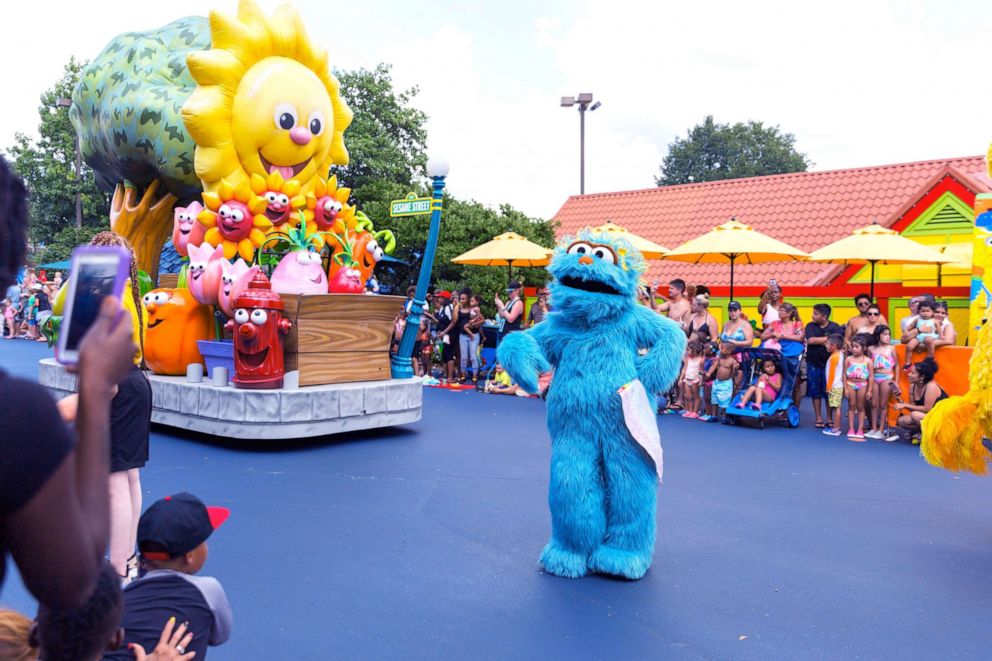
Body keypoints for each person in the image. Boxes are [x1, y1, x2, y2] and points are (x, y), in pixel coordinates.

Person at [0, 155, 137, 610]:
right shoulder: (17, 415)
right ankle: (125, 561)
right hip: (126, 381)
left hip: (121, 380)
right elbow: (72, 579)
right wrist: (94, 394)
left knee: (126, 476)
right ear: (15, 262)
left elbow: (63, 307)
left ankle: (125, 560)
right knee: (125, 476)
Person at [107, 492, 233, 660]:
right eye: (203, 541)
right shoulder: (209, 590)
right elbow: (219, 637)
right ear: (190, 556)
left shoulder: (122, 596)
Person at [804, 303, 843, 428]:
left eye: (816, 314)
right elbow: (810, 340)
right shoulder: (810, 326)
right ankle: (818, 417)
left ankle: (830, 417)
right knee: (815, 392)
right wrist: (827, 339)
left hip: (830, 365)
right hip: (813, 363)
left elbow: (837, 341)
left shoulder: (835, 326)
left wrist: (819, 340)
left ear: (824, 316)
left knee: (829, 391)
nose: (812, 316)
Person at [894, 358, 948, 443]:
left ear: (922, 377)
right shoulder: (913, 386)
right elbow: (914, 408)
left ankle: (928, 435)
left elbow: (927, 409)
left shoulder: (931, 386)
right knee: (902, 421)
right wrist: (900, 401)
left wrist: (905, 405)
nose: (909, 374)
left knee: (915, 415)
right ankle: (922, 432)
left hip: (942, 420)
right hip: (928, 417)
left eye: (912, 373)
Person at [867, 325, 900, 441]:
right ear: (878, 335)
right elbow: (868, 364)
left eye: (889, 334)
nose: (887, 337)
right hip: (875, 377)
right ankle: (874, 428)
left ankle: (881, 429)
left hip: (887, 377)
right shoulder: (871, 349)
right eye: (885, 334)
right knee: (874, 403)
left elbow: (897, 366)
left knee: (883, 404)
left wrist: (896, 381)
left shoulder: (891, 348)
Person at [844, 336, 873, 440]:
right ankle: (851, 428)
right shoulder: (848, 359)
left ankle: (860, 429)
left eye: (856, 347)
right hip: (850, 383)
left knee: (861, 407)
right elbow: (844, 374)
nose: (854, 349)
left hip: (862, 384)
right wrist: (845, 388)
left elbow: (870, 376)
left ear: (864, 348)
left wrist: (870, 390)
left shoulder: (868, 361)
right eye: (852, 347)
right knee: (851, 406)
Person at [707, 342, 739, 423]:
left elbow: (735, 374)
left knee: (725, 401)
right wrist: (709, 373)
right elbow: (713, 366)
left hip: (726, 383)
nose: (719, 350)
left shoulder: (732, 361)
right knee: (714, 400)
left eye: (721, 349)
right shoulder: (719, 359)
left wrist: (735, 369)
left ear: (728, 351)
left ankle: (724, 416)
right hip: (717, 382)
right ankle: (714, 415)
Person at [821, 334, 846, 437]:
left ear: (833, 346)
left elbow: (831, 374)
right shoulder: (840, 354)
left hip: (834, 385)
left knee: (836, 408)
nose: (825, 345)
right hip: (838, 385)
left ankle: (836, 428)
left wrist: (828, 387)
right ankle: (836, 427)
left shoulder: (834, 357)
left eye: (827, 344)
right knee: (837, 407)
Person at [456, 288, 481, 383]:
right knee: (464, 357)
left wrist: (473, 323)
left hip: (474, 334)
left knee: (473, 356)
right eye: (460, 298)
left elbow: (482, 320)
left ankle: (475, 376)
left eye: (464, 299)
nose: (462, 300)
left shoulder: (473, 309)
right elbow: (454, 321)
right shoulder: (459, 308)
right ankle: (463, 375)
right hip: (462, 335)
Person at [903, 300, 938, 368]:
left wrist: (941, 336)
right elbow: (908, 328)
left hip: (929, 336)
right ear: (919, 312)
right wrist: (906, 333)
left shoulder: (934, 321)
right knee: (909, 346)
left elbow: (939, 330)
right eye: (923, 311)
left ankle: (931, 357)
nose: (925, 313)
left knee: (929, 340)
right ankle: (908, 363)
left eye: (928, 311)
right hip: (919, 337)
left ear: (932, 312)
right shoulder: (917, 319)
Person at [433, 291, 457, 383]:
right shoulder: (442, 308)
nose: (439, 299)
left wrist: (445, 331)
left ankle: (450, 376)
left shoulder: (449, 308)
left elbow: (453, 322)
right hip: (443, 335)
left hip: (450, 335)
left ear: (445, 298)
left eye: (440, 297)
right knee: (444, 355)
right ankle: (445, 375)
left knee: (449, 355)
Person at [678, 340, 705, 418]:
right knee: (688, 396)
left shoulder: (700, 360)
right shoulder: (688, 358)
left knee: (696, 396)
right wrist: (680, 379)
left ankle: (695, 411)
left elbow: (701, 371)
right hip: (687, 379)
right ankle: (689, 410)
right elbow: (684, 369)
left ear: (695, 350)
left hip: (695, 380)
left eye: (689, 350)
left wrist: (701, 380)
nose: (687, 351)